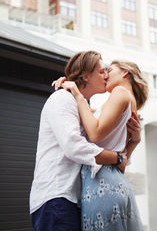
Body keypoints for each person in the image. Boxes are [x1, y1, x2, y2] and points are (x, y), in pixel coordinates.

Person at [29, 50, 141, 231]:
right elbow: (73, 146)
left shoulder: (85, 109)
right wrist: (116, 158)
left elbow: (106, 144)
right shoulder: (62, 98)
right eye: (101, 71)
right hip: (56, 197)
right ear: (85, 76)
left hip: (76, 199)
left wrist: (133, 142)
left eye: (107, 71)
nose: (105, 75)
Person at [57, 59, 148, 231]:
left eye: (110, 70)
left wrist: (76, 93)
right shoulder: (129, 102)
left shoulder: (120, 92)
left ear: (124, 73)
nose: (106, 74)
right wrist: (134, 141)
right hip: (117, 181)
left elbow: (95, 132)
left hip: (102, 183)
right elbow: (120, 162)